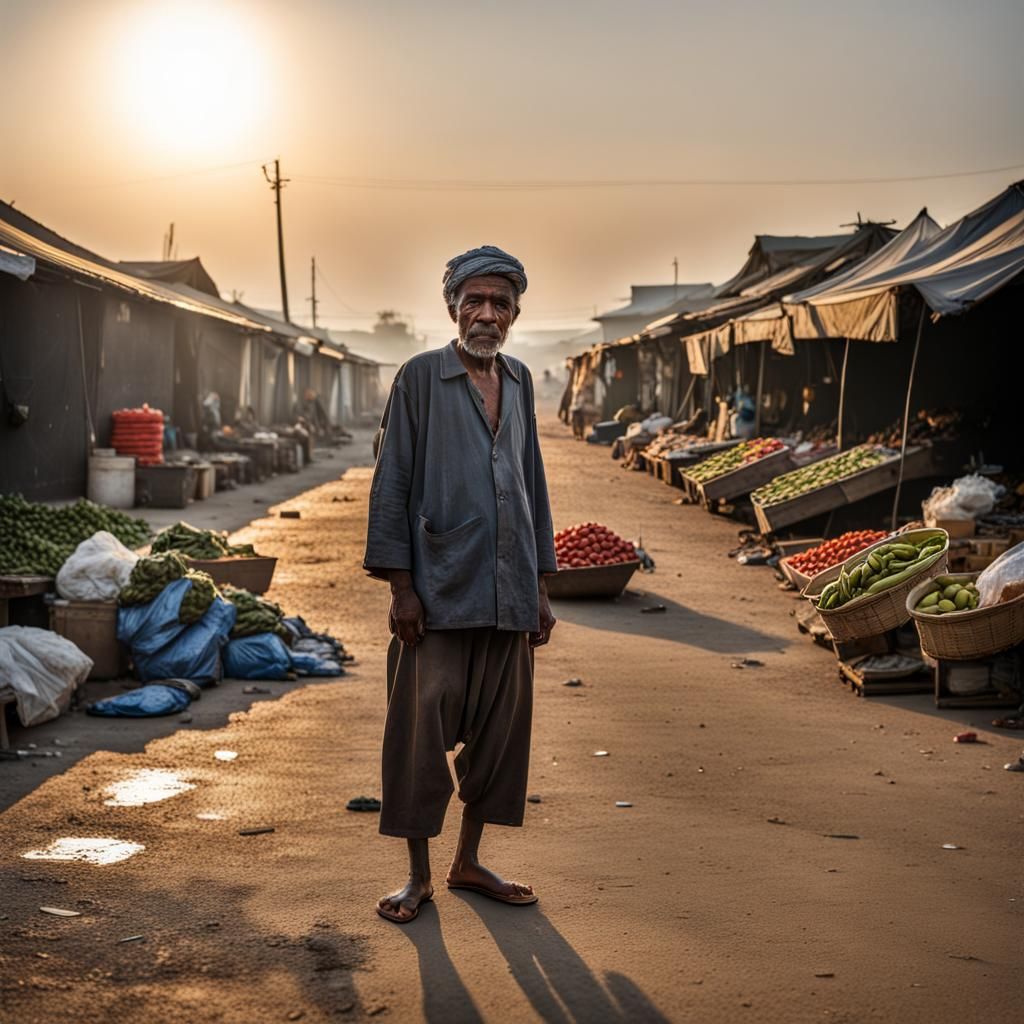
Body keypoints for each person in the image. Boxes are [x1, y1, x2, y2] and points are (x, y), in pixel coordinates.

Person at [364, 245, 558, 924]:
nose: (485, 314)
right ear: (452, 307)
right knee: (419, 739)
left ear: (513, 314)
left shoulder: (523, 380)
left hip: (507, 591)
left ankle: (468, 862)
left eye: (499, 303)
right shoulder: (420, 377)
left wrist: (539, 583)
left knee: (501, 736)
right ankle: (416, 878)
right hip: (439, 591)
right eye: (473, 301)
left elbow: (531, 480)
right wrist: (400, 588)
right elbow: (391, 484)